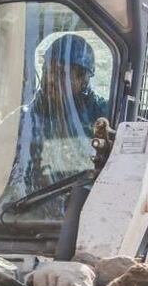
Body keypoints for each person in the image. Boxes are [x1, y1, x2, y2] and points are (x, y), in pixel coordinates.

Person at [24, 33, 109, 190]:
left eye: (59, 73)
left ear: (83, 79)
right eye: (46, 71)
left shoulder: (104, 116)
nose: (49, 79)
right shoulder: (25, 119)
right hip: (31, 208)